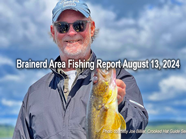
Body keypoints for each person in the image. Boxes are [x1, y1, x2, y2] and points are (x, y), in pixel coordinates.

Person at [13, 0, 148, 139]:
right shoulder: (34, 93)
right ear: (53, 32)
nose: (71, 33)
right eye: (62, 27)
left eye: (79, 25)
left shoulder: (118, 77)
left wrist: (120, 105)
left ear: (91, 28)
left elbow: (137, 126)